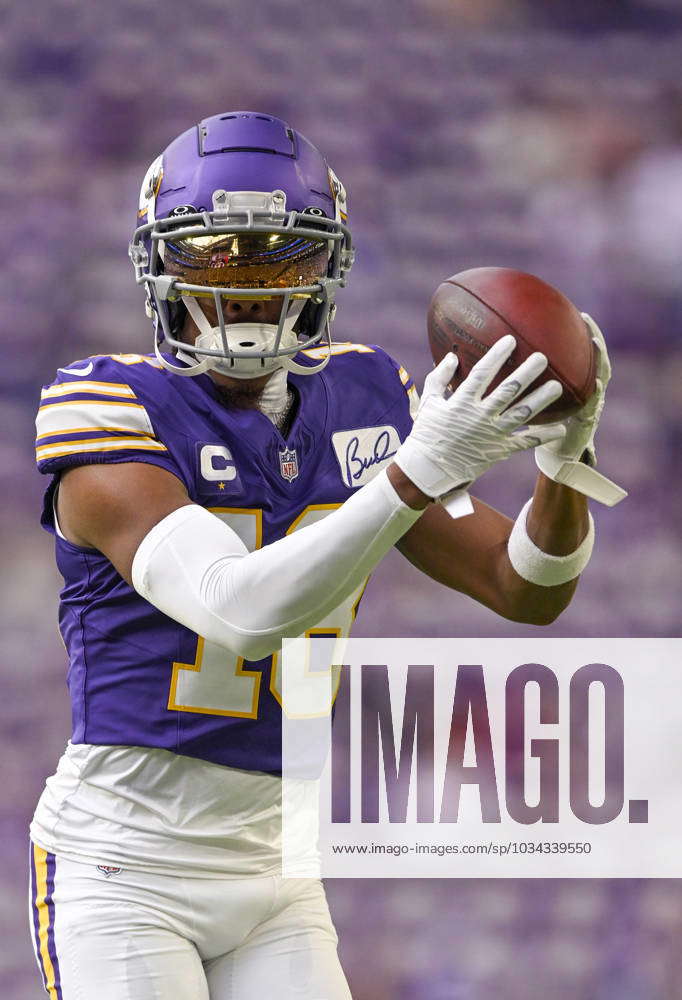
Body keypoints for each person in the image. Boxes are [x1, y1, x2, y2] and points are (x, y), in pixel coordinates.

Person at [28, 111, 615, 1000]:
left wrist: (565, 462)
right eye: (216, 255)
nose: (249, 287)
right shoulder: (105, 402)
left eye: (279, 259)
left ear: (326, 267)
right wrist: (413, 472)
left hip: (278, 872)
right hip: (127, 868)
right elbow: (240, 612)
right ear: (159, 264)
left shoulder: (364, 392)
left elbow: (524, 586)